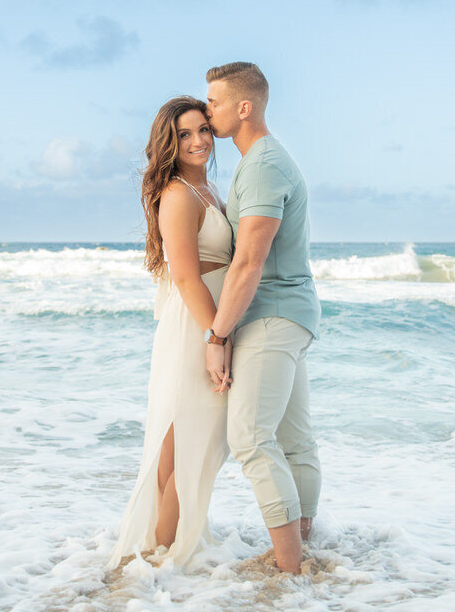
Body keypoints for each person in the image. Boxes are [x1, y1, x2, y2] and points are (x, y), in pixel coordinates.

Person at [204, 62, 322, 575]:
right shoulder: (260, 161)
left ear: (243, 108)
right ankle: (298, 552)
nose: (209, 112)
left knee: (251, 439)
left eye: (215, 103)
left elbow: (250, 260)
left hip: (272, 314)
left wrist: (217, 334)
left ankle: (289, 569)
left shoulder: (263, 165)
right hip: (292, 313)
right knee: (294, 440)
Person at [108, 96, 235, 569]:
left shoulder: (209, 189)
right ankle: (165, 563)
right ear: (169, 142)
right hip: (194, 330)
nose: (199, 140)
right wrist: (215, 339)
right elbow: (184, 276)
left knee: (178, 449)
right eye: (185, 134)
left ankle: (158, 556)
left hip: (203, 325)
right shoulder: (180, 194)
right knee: (187, 451)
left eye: (203, 129)